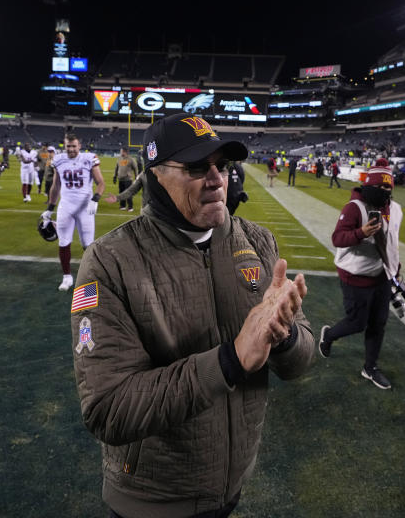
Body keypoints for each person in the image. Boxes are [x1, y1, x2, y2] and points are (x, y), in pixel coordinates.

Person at [71, 112, 313, 518]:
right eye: (198, 167)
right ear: (157, 177)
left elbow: (301, 360)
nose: (218, 179)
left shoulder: (257, 241)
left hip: (231, 485)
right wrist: (229, 361)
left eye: (223, 166)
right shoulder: (110, 262)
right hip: (154, 501)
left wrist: (283, 336)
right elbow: (107, 409)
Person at [318, 161, 402, 390]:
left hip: (382, 276)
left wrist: (396, 269)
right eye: (380, 188)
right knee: (357, 323)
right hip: (355, 275)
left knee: (379, 323)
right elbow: (337, 238)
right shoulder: (355, 207)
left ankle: (370, 367)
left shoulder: (395, 209)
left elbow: (393, 243)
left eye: (388, 189)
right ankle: (329, 335)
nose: (384, 193)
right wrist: (360, 233)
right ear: (369, 186)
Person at [45, 133, 106, 291]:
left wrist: (95, 199)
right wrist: (49, 208)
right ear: (64, 146)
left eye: (74, 146)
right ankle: (67, 277)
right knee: (63, 242)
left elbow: (101, 183)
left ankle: (90, 278)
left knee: (88, 244)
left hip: (85, 207)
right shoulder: (59, 160)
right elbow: (56, 186)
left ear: (79, 146)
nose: (71, 149)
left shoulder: (89, 158)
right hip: (65, 205)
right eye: (68, 146)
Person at [113, 147, 139, 212]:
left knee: (128, 193)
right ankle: (123, 206)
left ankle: (130, 207)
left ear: (125, 152)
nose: (120, 152)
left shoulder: (131, 159)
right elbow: (116, 168)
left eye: (121, 151)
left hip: (128, 179)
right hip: (120, 179)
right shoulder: (119, 159)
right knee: (121, 193)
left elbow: (135, 169)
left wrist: (136, 177)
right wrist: (115, 176)